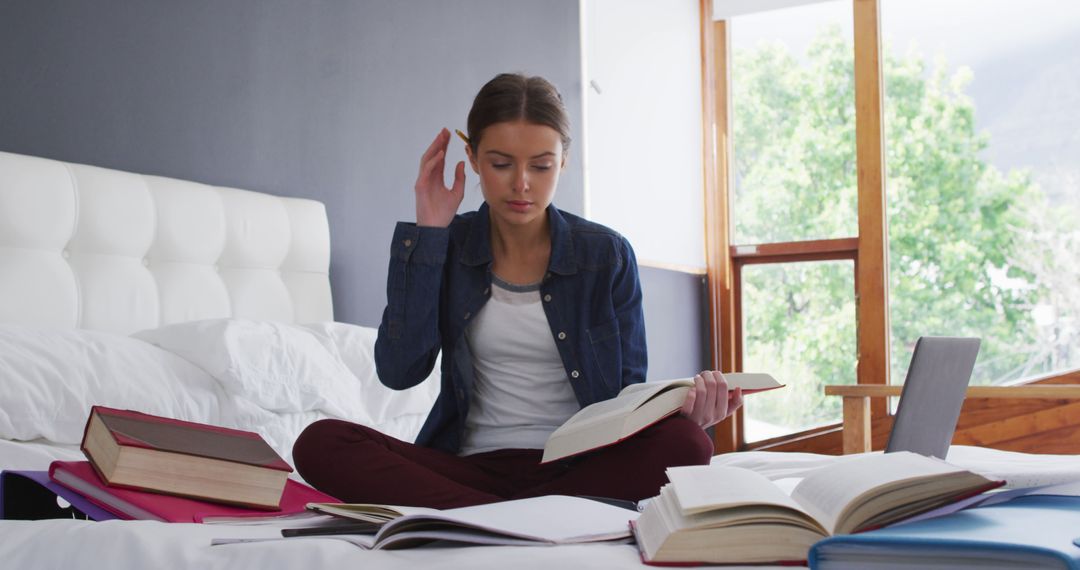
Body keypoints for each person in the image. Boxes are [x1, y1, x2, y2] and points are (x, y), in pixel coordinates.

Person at [292, 73, 742, 509]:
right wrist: (429, 234)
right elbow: (399, 371)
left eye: (541, 165)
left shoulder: (606, 255)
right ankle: (526, 517)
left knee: (686, 441)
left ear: (563, 159)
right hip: (470, 468)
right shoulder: (445, 245)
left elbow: (629, 396)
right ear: (472, 157)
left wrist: (688, 416)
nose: (521, 183)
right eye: (501, 163)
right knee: (320, 442)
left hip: (578, 469)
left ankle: (485, 518)